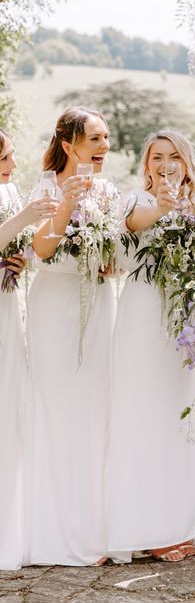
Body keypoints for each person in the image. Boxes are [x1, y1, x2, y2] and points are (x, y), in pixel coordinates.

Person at [108, 130, 195, 563]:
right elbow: (137, 223)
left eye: (174, 157)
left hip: (185, 322)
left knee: (181, 412)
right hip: (142, 319)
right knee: (145, 413)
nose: (166, 164)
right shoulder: (134, 200)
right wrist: (163, 208)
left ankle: (182, 519)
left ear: (187, 163)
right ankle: (148, 526)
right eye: (157, 157)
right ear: (146, 163)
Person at [26, 107, 117, 566]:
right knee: (58, 411)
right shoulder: (44, 187)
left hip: (99, 304)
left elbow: (114, 255)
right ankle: (56, 532)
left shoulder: (109, 191)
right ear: (69, 145)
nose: (105, 147)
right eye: (96, 139)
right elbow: (42, 249)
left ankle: (96, 527)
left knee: (96, 411)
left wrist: (110, 259)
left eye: (106, 139)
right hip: (54, 308)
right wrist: (66, 203)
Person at [0, 128, 57, 571]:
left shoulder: (10, 190)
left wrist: (15, 256)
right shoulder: (15, 199)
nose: (13, 166)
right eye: (5, 157)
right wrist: (22, 218)